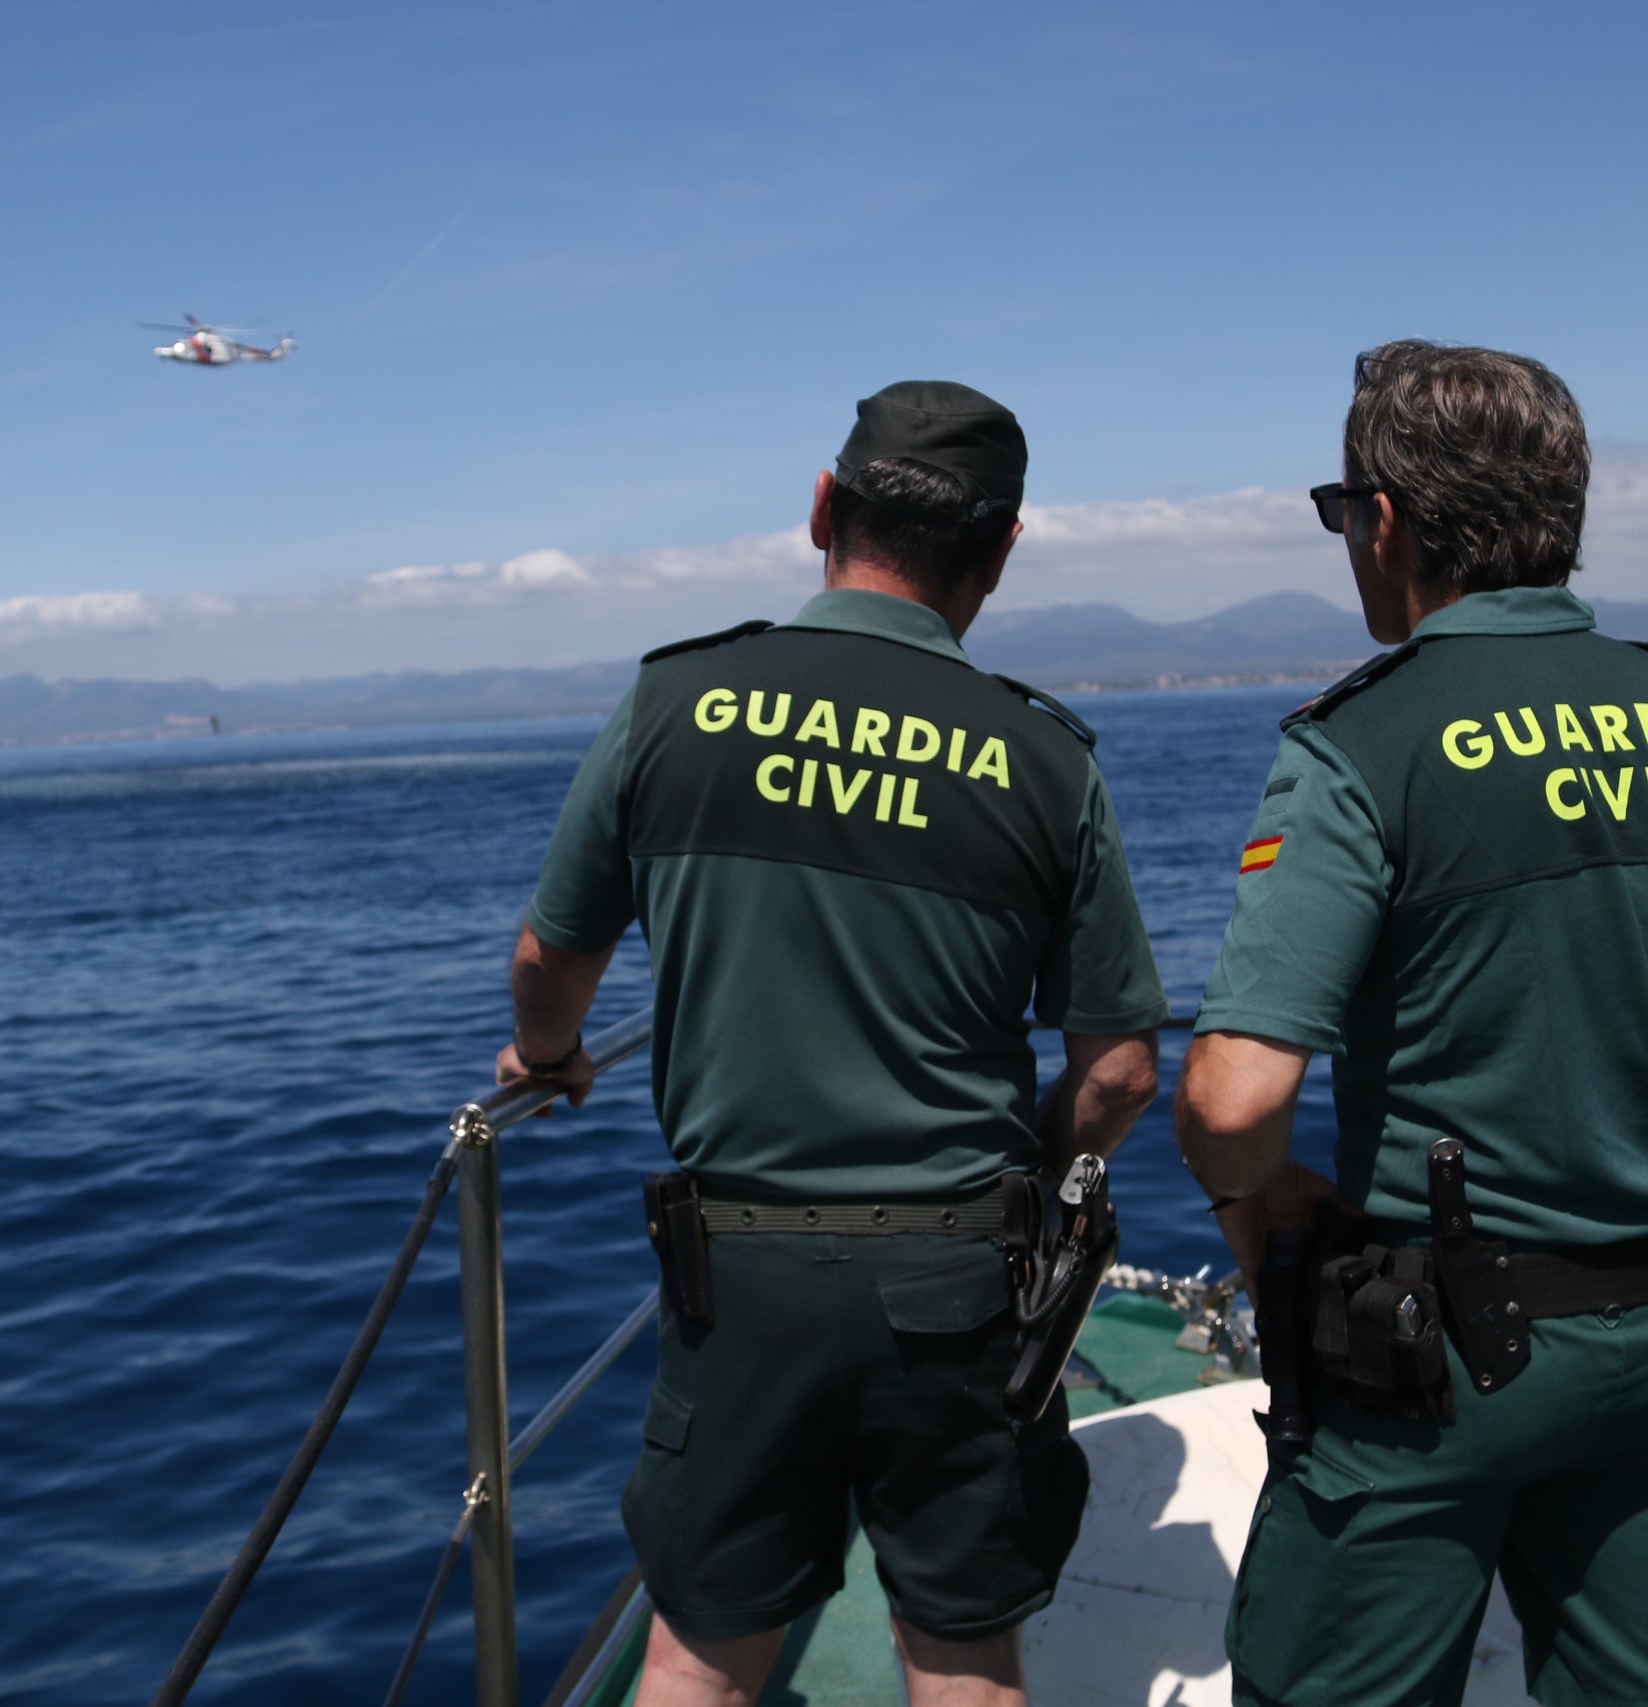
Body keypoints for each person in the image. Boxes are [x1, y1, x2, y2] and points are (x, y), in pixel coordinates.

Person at [1175, 340, 1648, 1707]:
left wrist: (1262, 1199)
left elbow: (1233, 1100)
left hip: (1432, 1370)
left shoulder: (1364, 743)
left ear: (1387, 522)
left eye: (1342, 512)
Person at [498, 381, 1168, 1707]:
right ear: (1001, 552)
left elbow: (549, 963)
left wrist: (551, 1052)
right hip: (962, 1273)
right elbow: (1121, 1072)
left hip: (740, 1271)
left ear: (822, 509)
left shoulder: (674, 700)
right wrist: (1030, 1183)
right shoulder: (1043, 759)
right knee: (964, 1659)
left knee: (698, 1657)